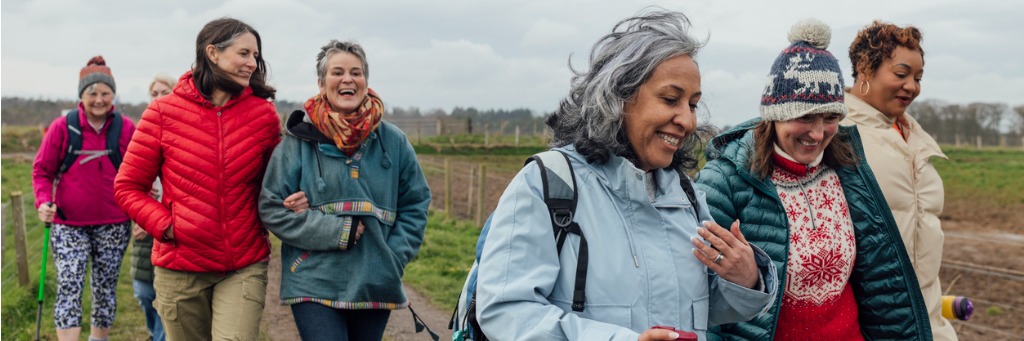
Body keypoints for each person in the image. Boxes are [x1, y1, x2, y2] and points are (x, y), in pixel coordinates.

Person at [474, 10, 777, 341]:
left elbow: (700, 306)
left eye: (692, 104)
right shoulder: (549, 185)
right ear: (618, 97)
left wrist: (745, 279)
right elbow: (506, 310)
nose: (687, 121)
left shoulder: (685, 195)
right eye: (670, 99)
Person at [696, 19, 931, 340]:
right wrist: (749, 281)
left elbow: (876, 278)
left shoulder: (850, 171)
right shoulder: (724, 179)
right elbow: (696, 293)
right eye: (805, 116)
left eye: (831, 118)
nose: (818, 133)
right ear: (776, 114)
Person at [113, 18, 280, 341]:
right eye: (244, 53)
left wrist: (294, 197)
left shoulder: (263, 115)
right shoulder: (162, 112)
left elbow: (275, 185)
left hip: (243, 263)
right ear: (212, 53)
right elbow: (127, 186)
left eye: (256, 56)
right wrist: (167, 225)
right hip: (180, 266)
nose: (252, 63)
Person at [258, 39, 431, 341]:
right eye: (337, 72)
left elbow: (416, 203)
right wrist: (335, 230)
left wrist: (393, 257)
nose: (348, 79)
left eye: (357, 72)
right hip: (313, 278)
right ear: (322, 83)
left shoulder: (394, 142)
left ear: (366, 80)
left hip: (374, 279)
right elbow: (271, 206)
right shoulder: (298, 141)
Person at [842, 21, 957, 340]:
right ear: (865, 68)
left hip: (928, 323)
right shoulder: (838, 134)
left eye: (918, 78)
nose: (912, 87)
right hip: (874, 329)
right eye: (901, 74)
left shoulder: (915, 137)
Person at [32, 55, 136, 341]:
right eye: (93, 93)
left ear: (113, 94)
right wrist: (43, 201)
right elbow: (42, 170)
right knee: (69, 284)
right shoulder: (62, 128)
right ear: (82, 95)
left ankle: (98, 338)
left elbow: (141, 171)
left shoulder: (126, 128)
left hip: (114, 223)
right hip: (68, 224)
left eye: (105, 93)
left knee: (105, 286)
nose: (99, 99)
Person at [127, 73, 176, 341]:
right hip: (145, 226)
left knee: (169, 297)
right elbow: (128, 184)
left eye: (163, 92)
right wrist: (139, 214)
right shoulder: (142, 134)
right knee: (144, 293)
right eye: (153, 93)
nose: (158, 98)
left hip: (175, 228)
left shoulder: (185, 131)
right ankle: (155, 333)